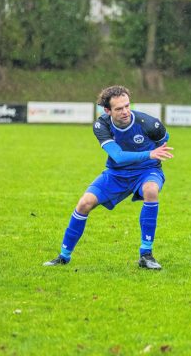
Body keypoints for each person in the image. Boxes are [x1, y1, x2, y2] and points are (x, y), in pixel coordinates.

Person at [43, 85, 174, 270]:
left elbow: (163, 141)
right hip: (116, 173)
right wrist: (149, 153)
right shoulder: (101, 125)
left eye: (127, 106)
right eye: (119, 109)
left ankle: (146, 255)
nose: (125, 111)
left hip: (147, 170)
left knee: (151, 190)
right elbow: (118, 156)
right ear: (107, 110)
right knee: (84, 203)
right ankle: (64, 256)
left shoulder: (149, 123)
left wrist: (151, 157)